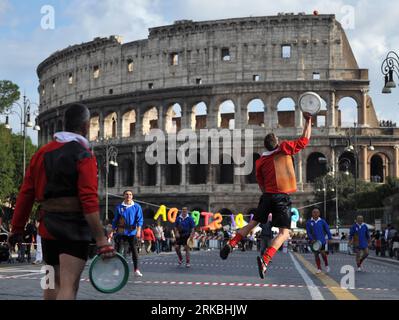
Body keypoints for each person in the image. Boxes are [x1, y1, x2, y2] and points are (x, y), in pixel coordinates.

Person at [10, 103, 115, 300]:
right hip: (74, 229)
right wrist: (101, 238)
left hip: (48, 228)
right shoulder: (84, 155)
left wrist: (16, 229)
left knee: (50, 283)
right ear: (85, 126)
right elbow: (88, 199)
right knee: (69, 285)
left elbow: (26, 194)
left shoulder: (40, 154)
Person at [220, 113, 312, 279]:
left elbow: (260, 183)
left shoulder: (260, 161)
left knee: (252, 223)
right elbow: (305, 140)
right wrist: (308, 120)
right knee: (284, 233)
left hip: (267, 195)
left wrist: (267, 196)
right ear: (276, 143)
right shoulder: (284, 148)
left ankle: (231, 243)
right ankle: (266, 259)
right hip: (281, 197)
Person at [112, 190, 143, 277]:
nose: (128, 196)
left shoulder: (137, 207)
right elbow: (115, 220)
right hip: (121, 231)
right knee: (119, 251)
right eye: (127, 194)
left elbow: (140, 219)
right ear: (124, 196)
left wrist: (139, 230)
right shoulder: (119, 207)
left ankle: (136, 270)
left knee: (134, 251)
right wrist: (112, 231)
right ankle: (116, 269)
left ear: (132, 196)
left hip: (132, 232)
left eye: (130, 194)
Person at [306, 208, 332, 274]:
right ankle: (319, 268)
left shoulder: (322, 221)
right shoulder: (309, 222)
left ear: (319, 214)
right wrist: (311, 239)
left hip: (322, 241)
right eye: (314, 212)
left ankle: (326, 265)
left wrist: (330, 238)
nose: (315, 213)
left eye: (317, 212)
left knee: (323, 254)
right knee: (316, 255)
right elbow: (308, 232)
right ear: (312, 213)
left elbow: (327, 230)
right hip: (314, 242)